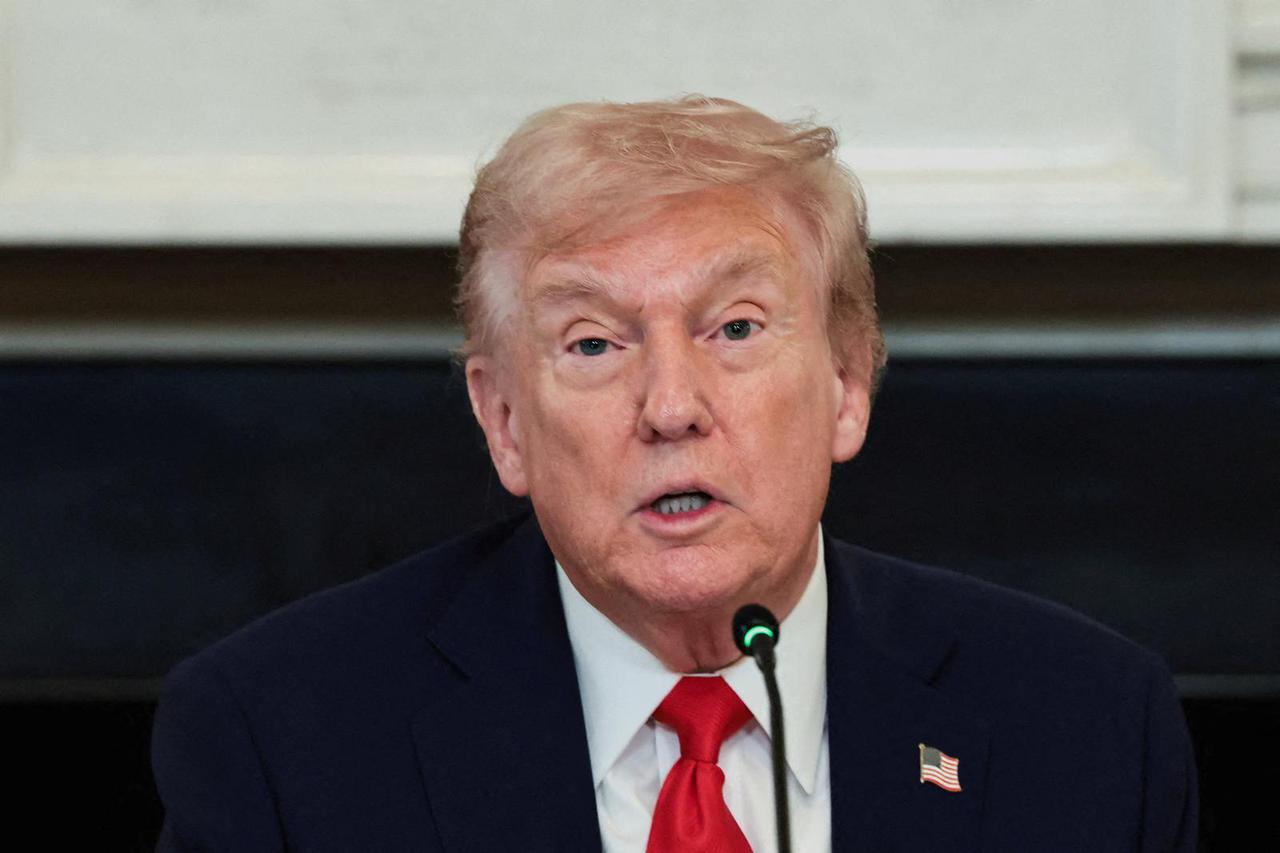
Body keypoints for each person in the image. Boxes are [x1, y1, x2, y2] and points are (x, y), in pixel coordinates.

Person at [151, 96, 1197, 852]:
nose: (670, 406)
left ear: (845, 380)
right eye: (594, 343)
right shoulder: (282, 739)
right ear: (503, 419)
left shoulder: (1085, 727)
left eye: (733, 327)